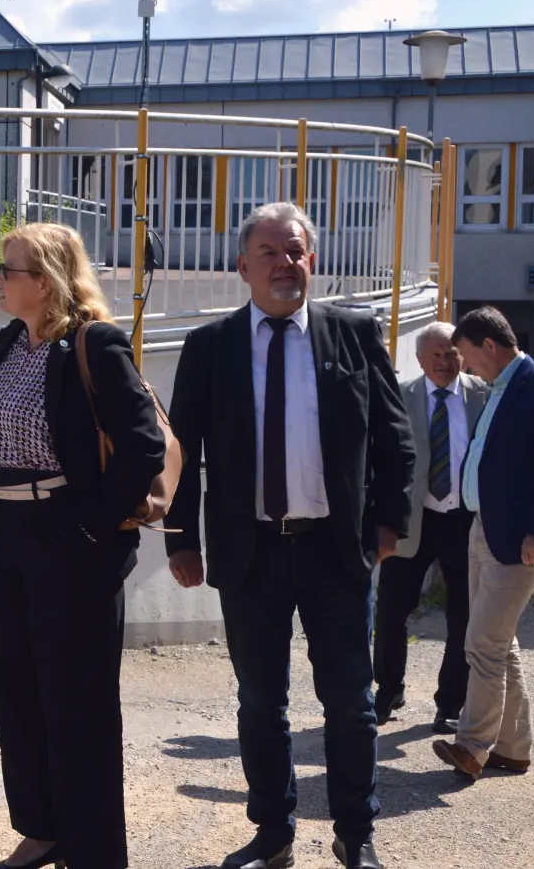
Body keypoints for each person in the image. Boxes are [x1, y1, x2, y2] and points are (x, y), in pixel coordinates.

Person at [166, 202, 414, 869]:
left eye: (296, 251)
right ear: (243, 267)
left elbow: (394, 436)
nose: (285, 264)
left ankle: (356, 834)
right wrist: (180, 538)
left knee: (351, 703)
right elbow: (180, 449)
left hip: (337, 551)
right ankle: (273, 834)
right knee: (260, 704)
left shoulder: (353, 334)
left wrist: (388, 523)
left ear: (314, 261)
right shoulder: (211, 346)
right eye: (270, 253)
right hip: (251, 554)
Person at [0, 222, 167, 869]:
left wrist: (89, 527)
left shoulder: (95, 343)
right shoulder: (10, 341)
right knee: (17, 696)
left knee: (78, 707)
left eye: (8, 269)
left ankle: (94, 853)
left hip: (70, 543)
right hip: (6, 538)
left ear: (44, 281)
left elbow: (144, 446)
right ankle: (42, 830)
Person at [432, 306, 534, 781]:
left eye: (466, 354)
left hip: (522, 539)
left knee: (483, 642)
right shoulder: (501, 387)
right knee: (500, 642)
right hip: (486, 528)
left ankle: (472, 746)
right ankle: (513, 748)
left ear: (489, 346)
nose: (464, 365)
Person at [373, 322, 488, 733]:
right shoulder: (399, 395)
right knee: (390, 611)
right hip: (411, 518)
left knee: (463, 616)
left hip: (464, 520)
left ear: (463, 355)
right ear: (420, 359)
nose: (444, 361)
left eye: (451, 353)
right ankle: (388, 691)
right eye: (435, 354)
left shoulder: (483, 395)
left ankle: (450, 703)